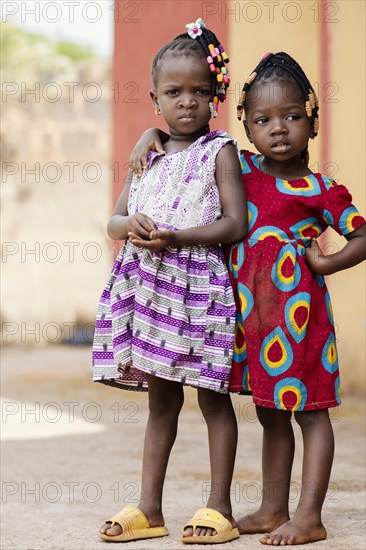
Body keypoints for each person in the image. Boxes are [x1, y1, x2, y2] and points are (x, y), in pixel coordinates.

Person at [129, 51, 366, 546]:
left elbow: (362, 237)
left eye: (292, 116)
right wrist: (149, 136)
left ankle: (309, 515)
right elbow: (188, 145)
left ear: (313, 119)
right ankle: (273, 507)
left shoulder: (322, 190)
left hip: (300, 325)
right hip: (251, 328)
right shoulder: (241, 171)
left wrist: (325, 263)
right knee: (269, 412)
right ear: (246, 125)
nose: (278, 128)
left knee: (311, 412)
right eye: (263, 120)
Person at [92, 18, 247, 545]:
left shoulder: (218, 150)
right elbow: (113, 221)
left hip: (199, 295)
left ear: (215, 96)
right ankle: (150, 508)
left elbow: (235, 222)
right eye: (175, 92)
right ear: (155, 98)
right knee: (162, 403)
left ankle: (219, 507)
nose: (188, 102)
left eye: (200, 91)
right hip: (152, 298)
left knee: (211, 398)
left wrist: (180, 237)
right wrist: (129, 227)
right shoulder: (148, 154)